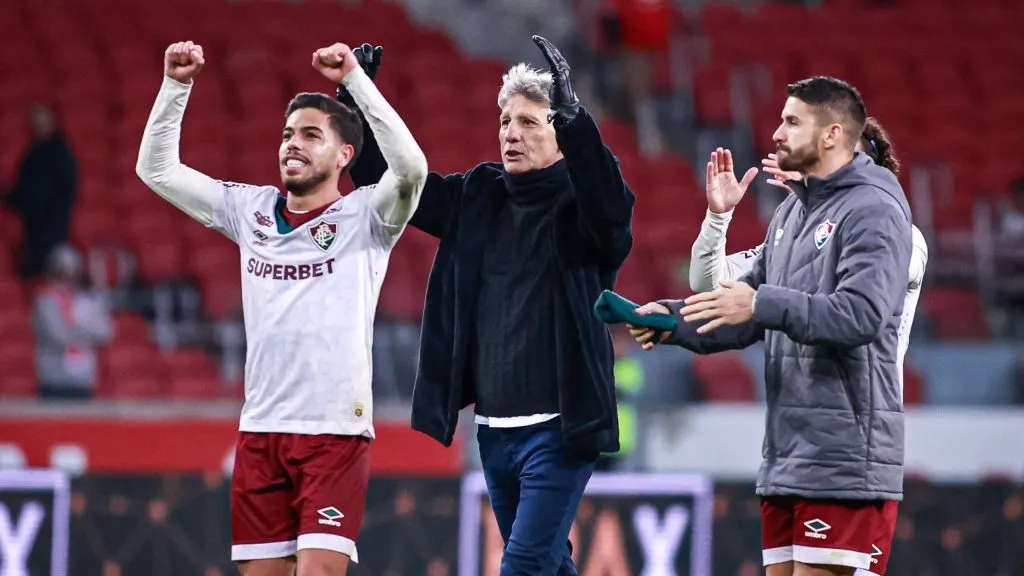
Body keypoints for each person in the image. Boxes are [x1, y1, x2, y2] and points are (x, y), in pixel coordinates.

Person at [135, 40, 427, 576]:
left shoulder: (369, 217)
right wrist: (176, 86)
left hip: (334, 433)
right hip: (261, 430)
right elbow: (157, 170)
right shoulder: (251, 211)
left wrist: (358, 82)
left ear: (344, 156)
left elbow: (411, 167)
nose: (293, 144)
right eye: (288, 134)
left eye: (311, 135)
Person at [347, 36, 635, 574]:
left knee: (522, 565)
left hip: (560, 428)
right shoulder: (477, 194)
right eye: (505, 121)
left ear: (558, 134)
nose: (512, 132)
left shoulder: (581, 204)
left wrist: (577, 120)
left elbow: (612, 214)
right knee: (547, 564)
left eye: (530, 122)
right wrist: (357, 98)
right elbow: (383, 184)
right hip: (494, 431)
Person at [630, 77, 913, 576]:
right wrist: (673, 320)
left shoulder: (873, 209)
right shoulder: (791, 214)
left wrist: (762, 303)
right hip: (788, 454)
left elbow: (861, 314)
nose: (777, 133)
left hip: (843, 459)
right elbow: (744, 310)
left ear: (830, 134)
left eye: (791, 121)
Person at [690, 117, 929, 413]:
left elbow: (847, 300)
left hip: (862, 423)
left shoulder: (903, 236)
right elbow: (711, 284)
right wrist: (718, 218)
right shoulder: (794, 239)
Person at [5, 103, 77, 279]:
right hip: (32, 229)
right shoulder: (32, 154)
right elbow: (24, 189)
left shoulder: (61, 155)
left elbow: (63, 192)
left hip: (52, 230)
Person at [32, 244, 112, 399]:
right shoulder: (45, 302)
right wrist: (86, 332)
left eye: (71, 273)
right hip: (52, 380)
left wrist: (73, 330)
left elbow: (105, 332)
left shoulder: (88, 302)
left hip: (82, 380)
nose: (67, 279)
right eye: (61, 273)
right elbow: (58, 336)